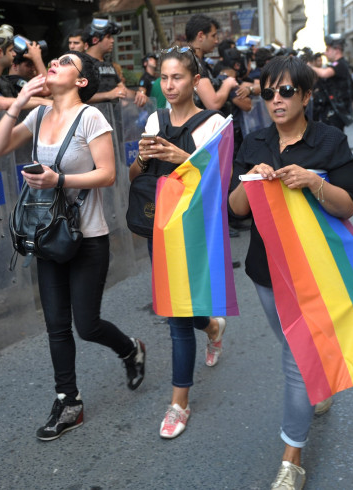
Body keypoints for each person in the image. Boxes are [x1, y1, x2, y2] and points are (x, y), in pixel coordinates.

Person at [0, 51, 146, 441]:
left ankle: (130, 349)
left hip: (87, 237)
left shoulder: (91, 117)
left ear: (80, 81)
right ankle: (69, 400)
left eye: (65, 61)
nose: (54, 63)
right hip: (47, 235)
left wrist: (58, 180)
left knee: (86, 325)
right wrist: (21, 101)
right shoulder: (38, 116)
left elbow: (108, 175)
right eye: (54, 60)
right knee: (56, 326)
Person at [228, 56, 353, 489]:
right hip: (266, 271)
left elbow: (349, 205)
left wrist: (314, 182)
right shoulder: (256, 143)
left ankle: (292, 459)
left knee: (296, 357)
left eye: (286, 91)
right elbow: (236, 210)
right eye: (268, 92)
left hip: (319, 269)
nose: (276, 100)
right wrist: (251, 180)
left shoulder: (330, 140)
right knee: (293, 345)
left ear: (306, 95)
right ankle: (317, 384)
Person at [128, 47, 227, 439]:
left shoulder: (213, 123)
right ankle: (214, 327)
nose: (169, 86)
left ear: (194, 80)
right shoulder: (154, 118)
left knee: (177, 316)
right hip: (160, 225)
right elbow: (137, 175)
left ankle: (178, 403)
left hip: (195, 229)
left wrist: (182, 156)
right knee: (176, 311)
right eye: (164, 78)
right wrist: (140, 156)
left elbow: (222, 186)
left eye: (178, 78)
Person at [83, 19, 147, 107]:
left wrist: (138, 95)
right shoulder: (82, 63)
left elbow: (122, 90)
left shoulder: (108, 64)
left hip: (113, 118)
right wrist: (108, 95)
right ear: (95, 40)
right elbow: (78, 97)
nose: (112, 41)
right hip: (93, 119)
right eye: (108, 37)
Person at [185, 14, 240, 111]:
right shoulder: (193, 63)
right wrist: (228, 83)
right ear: (201, 36)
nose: (216, 41)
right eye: (213, 36)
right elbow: (213, 104)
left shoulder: (191, 60)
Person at [307, 36, 353, 131]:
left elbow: (324, 73)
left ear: (337, 50)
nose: (325, 53)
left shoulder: (340, 64)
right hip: (332, 110)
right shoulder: (337, 64)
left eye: (328, 49)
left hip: (336, 111)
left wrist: (308, 66)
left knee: (333, 139)